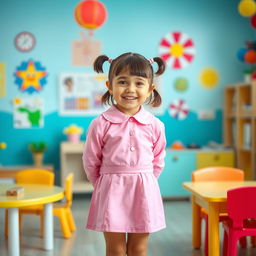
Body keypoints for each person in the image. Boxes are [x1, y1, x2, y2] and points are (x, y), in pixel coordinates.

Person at [82, 52, 166, 256]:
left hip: (144, 190)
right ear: (110, 86)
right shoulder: (100, 123)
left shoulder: (155, 125)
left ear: (150, 89)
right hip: (111, 190)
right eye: (122, 82)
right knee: (115, 250)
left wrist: (144, 180)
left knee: (139, 248)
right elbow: (91, 161)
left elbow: (158, 160)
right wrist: (104, 185)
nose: (130, 89)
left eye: (139, 83)